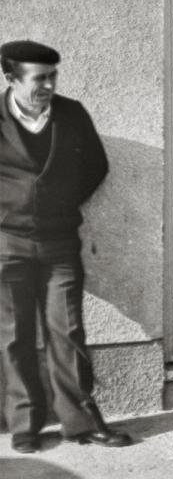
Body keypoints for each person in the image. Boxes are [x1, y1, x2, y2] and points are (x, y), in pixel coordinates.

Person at [0, 40, 131, 453]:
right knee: (15, 335)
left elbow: (96, 165)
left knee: (68, 332)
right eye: (39, 78)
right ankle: (24, 424)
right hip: (7, 245)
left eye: (53, 76)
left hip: (59, 244)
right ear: (10, 78)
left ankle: (80, 423)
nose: (49, 85)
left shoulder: (71, 113)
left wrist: (61, 201)